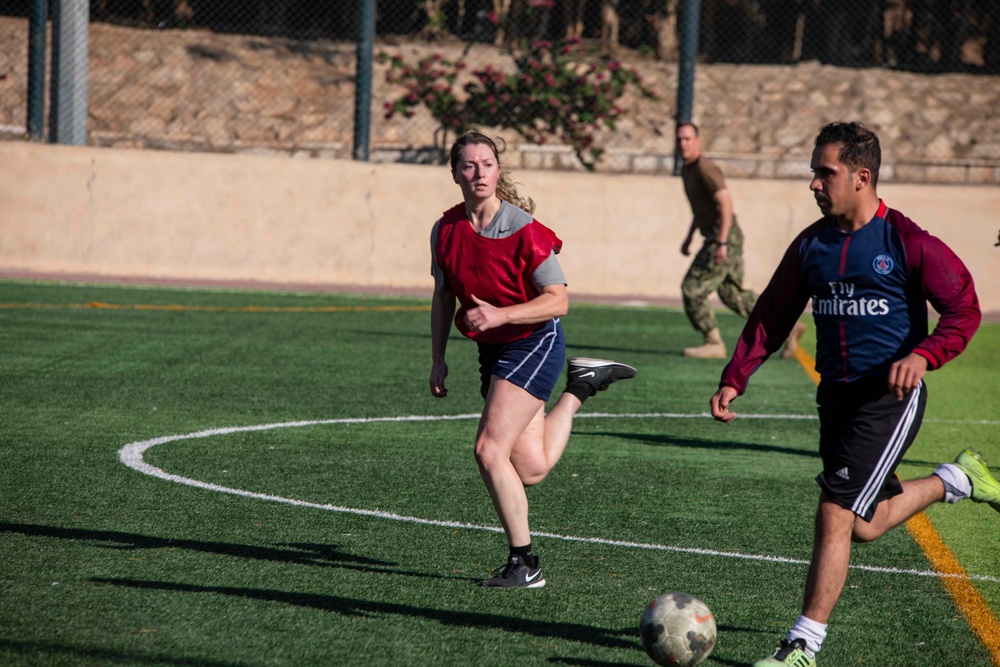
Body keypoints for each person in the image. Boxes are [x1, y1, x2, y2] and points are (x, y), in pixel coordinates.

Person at [708, 121, 998, 666]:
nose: (814, 184)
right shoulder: (811, 245)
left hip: (888, 398)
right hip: (836, 399)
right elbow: (772, 312)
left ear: (862, 177)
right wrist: (735, 375)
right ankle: (957, 480)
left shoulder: (907, 241)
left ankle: (802, 646)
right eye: (814, 173)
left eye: (826, 173)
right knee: (865, 523)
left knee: (836, 510)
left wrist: (922, 355)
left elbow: (964, 311)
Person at [429, 131, 637, 589]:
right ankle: (582, 386)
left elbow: (558, 301)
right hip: (494, 349)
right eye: (469, 165)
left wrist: (501, 314)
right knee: (530, 468)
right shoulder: (445, 230)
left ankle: (524, 563)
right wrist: (437, 357)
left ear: (498, 170)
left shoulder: (525, 231)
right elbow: (443, 295)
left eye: (487, 163)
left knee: (488, 450)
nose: (479, 172)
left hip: (534, 341)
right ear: (455, 173)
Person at [675, 122, 805, 359]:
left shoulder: (705, 167)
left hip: (723, 235)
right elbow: (701, 208)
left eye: (687, 139)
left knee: (692, 289)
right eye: (679, 140)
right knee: (732, 294)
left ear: (698, 141)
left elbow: (725, 203)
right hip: (716, 234)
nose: (683, 144)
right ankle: (788, 326)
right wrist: (689, 236)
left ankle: (713, 342)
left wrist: (722, 242)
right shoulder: (688, 169)